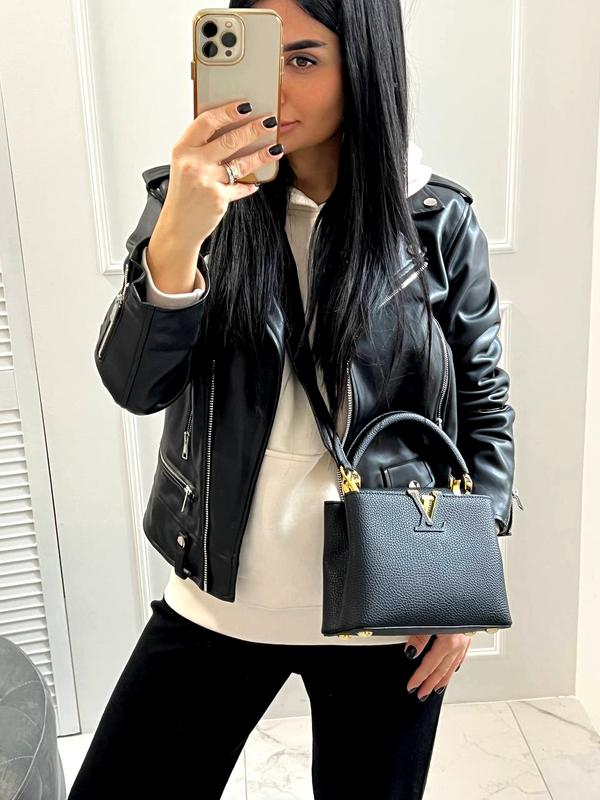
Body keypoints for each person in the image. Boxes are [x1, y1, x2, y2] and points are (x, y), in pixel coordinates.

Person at [71, 0, 516, 798]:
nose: (270, 89)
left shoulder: (437, 221)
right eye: (254, 55)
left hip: (391, 604)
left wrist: (465, 586)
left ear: (364, 69)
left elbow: (482, 404)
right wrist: (180, 236)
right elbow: (134, 386)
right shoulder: (189, 204)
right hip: (220, 600)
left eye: (303, 59)